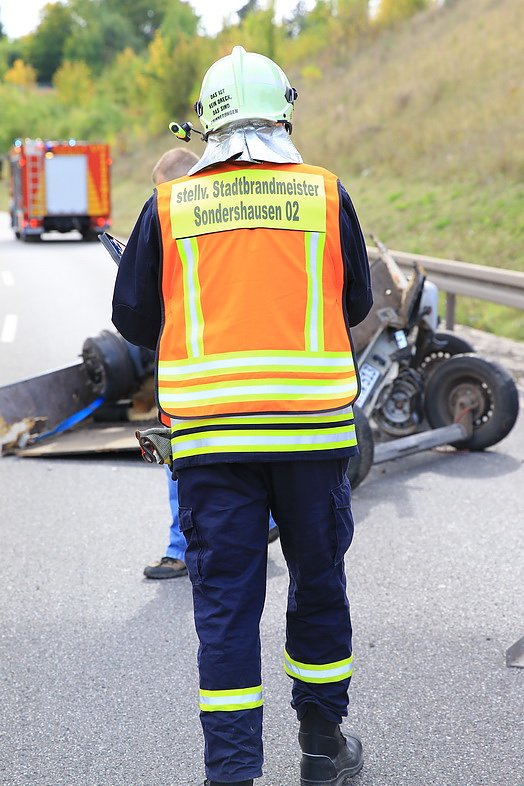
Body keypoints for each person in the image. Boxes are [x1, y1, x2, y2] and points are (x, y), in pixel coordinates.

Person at [112, 45, 372, 786]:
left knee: (226, 606)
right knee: (318, 585)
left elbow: (132, 317)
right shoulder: (325, 195)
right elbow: (352, 302)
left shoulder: (169, 205)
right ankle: (323, 750)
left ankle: (230, 773)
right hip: (313, 437)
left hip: (213, 441)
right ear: (284, 112)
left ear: (207, 119)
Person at [143, 148, 279, 580]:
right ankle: (269, 522)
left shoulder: (188, 224)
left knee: (180, 456)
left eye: (164, 192)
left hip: (203, 372)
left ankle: (180, 549)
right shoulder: (236, 220)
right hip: (254, 367)